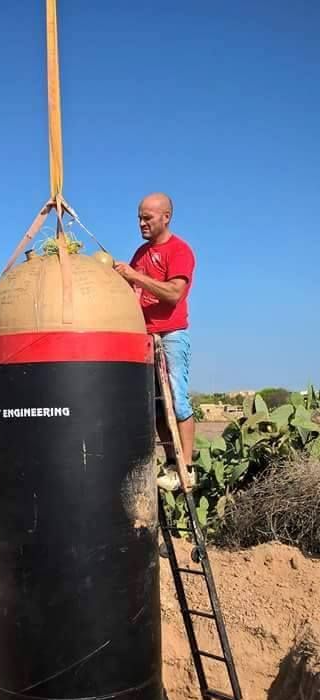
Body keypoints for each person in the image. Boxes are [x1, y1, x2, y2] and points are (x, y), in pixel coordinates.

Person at [115, 193, 196, 492]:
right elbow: (132, 292)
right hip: (145, 337)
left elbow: (174, 294)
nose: (141, 223)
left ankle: (187, 466)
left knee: (177, 400)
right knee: (157, 407)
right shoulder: (141, 254)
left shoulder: (180, 251)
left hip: (171, 335)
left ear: (166, 217)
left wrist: (135, 276)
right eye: (139, 217)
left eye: (147, 217)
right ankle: (172, 462)